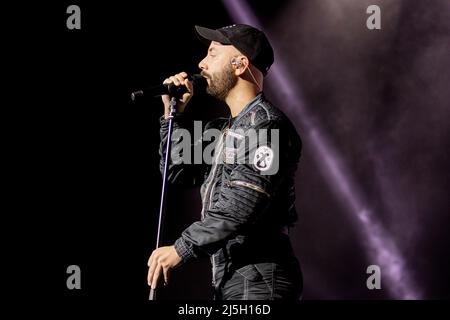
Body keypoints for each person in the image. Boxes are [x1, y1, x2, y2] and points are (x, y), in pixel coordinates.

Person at [147, 24, 303, 300]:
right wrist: (174, 117)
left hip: (259, 280)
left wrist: (180, 249)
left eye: (212, 54)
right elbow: (176, 172)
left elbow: (240, 206)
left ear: (240, 64)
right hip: (233, 279)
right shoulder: (223, 131)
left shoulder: (267, 127)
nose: (201, 63)